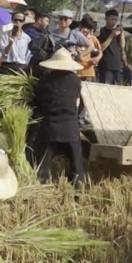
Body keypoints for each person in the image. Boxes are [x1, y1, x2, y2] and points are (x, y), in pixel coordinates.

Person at [31, 48, 85, 188]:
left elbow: (38, 104)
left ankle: (43, 186)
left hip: (50, 128)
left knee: (43, 164)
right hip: (70, 128)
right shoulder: (75, 81)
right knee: (76, 165)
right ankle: (78, 188)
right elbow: (77, 103)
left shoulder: (43, 81)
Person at [96, 10, 125, 84]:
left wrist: (121, 33)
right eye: (112, 19)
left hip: (117, 65)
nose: (114, 22)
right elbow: (101, 48)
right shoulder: (102, 31)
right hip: (106, 65)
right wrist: (111, 36)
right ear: (106, 19)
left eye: (115, 19)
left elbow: (122, 46)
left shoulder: (117, 32)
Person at [75, 17, 102, 82]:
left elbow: (100, 51)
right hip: (76, 70)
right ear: (80, 26)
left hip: (88, 71)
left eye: (88, 29)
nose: (86, 30)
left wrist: (97, 58)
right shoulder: (74, 36)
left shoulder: (93, 38)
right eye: (85, 27)